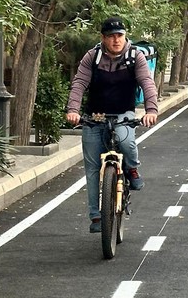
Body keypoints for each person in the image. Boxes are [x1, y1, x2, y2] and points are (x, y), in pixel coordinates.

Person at [66, 17, 159, 233]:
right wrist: (73, 110)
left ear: (125, 36)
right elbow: (80, 83)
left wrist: (151, 110)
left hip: (123, 114)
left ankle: (132, 170)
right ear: (103, 38)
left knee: (126, 142)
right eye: (111, 36)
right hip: (94, 115)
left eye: (120, 35)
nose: (116, 40)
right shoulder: (93, 56)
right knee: (91, 168)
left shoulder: (135, 56)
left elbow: (147, 82)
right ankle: (96, 217)